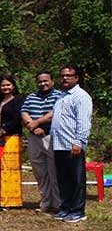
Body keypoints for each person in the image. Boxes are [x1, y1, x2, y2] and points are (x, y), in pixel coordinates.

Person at [50, 65, 92, 223]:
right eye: (62, 76)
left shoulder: (81, 96)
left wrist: (78, 141)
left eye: (69, 75)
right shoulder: (61, 96)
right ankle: (66, 207)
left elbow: (83, 121)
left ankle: (78, 210)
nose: (65, 78)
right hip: (59, 144)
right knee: (63, 179)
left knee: (76, 179)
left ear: (76, 78)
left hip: (73, 145)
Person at [20, 70, 64, 214]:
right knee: (40, 172)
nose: (43, 83)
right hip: (34, 137)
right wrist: (31, 126)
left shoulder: (59, 96)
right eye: (40, 81)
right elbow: (24, 111)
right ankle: (45, 201)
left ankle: (58, 203)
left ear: (52, 81)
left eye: (45, 81)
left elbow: (55, 113)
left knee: (54, 171)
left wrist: (37, 122)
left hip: (52, 136)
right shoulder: (32, 96)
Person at [0, 74, 26, 208]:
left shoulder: (18, 100)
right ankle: (0, 198)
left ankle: (12, 201)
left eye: (8, 85)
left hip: (12, 138)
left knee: (11, 169)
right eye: (3, 85)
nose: (5, 87)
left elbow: (17, 118)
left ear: (13, 86)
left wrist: (3, 130)